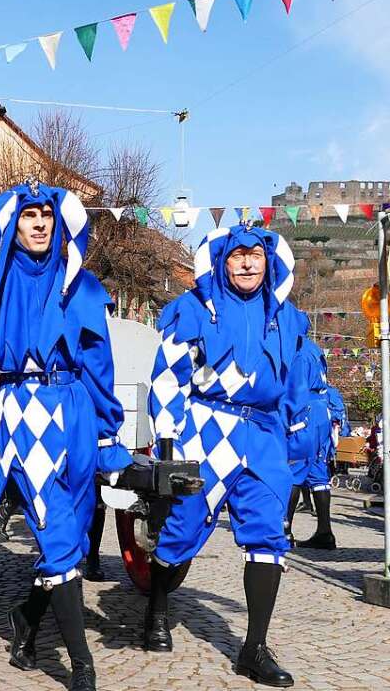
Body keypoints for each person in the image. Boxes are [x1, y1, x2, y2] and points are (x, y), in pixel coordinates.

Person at [0, 181, 132, 690]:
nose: (39, 223)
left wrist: (107, 433)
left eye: (47, 216)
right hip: (22, 412)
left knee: (74, 542)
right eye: (29, 215)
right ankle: (82, 666)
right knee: (58, 538)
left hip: (76, 410)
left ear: (60, 225)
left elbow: (100, 364)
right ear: (12, 225)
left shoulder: (80, 285)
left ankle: (26, 620)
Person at [145, 224, 308, 688]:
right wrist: (168, 436)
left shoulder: (288, 317)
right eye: (237, 255)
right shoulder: (195, 309)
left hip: (262, 433)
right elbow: (168, 376)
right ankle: (157, 608)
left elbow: (294, 382)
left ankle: (253, 649)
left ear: (269, 261)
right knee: (181, 529)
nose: (247, 262)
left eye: (256, 254)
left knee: (268, 537)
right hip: (206, 426)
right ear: (222, 260)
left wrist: (297, 436)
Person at [285, 341, 336, 550]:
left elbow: (295, 389)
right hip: (321, 411)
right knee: (317, 472)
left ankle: (284, 531)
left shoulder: (298, 352)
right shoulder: (315, 349)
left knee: (293, 468)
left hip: (305, 410)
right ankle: (324, 531)